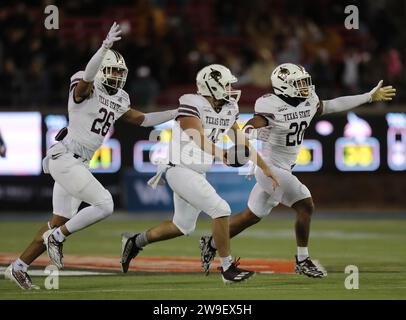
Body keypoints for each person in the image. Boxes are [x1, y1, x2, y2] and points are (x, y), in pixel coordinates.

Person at [5, 22, 177, 290]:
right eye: (111, 70)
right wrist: (104, 47)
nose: (117, 77)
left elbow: (143, 119)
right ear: (99, 70)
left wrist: (175, 113)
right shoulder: (85, 87)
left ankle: (19, 266)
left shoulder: (120, 98)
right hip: (65, 157)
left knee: (57, 221)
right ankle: (57, 238)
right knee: (105, 205)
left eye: (120, 72)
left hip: (78, 163)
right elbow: (85, 80)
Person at [199, 63, 397, 278]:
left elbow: (332, 105)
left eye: (304, 82)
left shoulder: (309, 100)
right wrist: (246, 133)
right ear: (284, 85)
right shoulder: (270, 104)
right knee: (305, 205)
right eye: (298, 83)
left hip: (284, 168)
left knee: (251, 216)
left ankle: (211, 242)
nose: (305, 87)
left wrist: (368, 96)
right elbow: (255, 122)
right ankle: (302, 260)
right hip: (270, 169)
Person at [120, 64, 279, 284]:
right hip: (179, 169)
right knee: (221, 209)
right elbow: (197, 137)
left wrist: (265, 167)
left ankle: (135, 242)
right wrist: (221, 153)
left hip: (197, 172)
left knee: (182, 226)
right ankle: (227, 269)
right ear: (212, 85)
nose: (231, 88)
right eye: (226, 84)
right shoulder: (191, 102)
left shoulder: (228, 108)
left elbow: (242, 144)